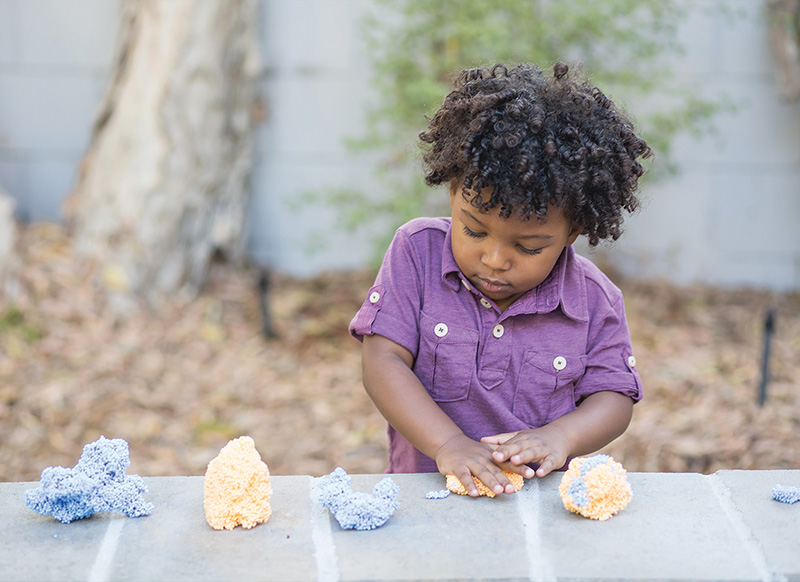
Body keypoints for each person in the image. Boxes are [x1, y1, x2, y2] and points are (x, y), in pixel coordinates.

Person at [349, 62, 651, 496]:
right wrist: (448, 444)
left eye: (528, 248)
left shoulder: (594, 299)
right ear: (453, 191)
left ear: (573, 231)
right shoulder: (416, 252)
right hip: (425, 495)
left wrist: (560, 438)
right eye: (473, 230)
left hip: (539, 504)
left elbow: (614, 399)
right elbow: (382, 362)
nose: (494, 259)